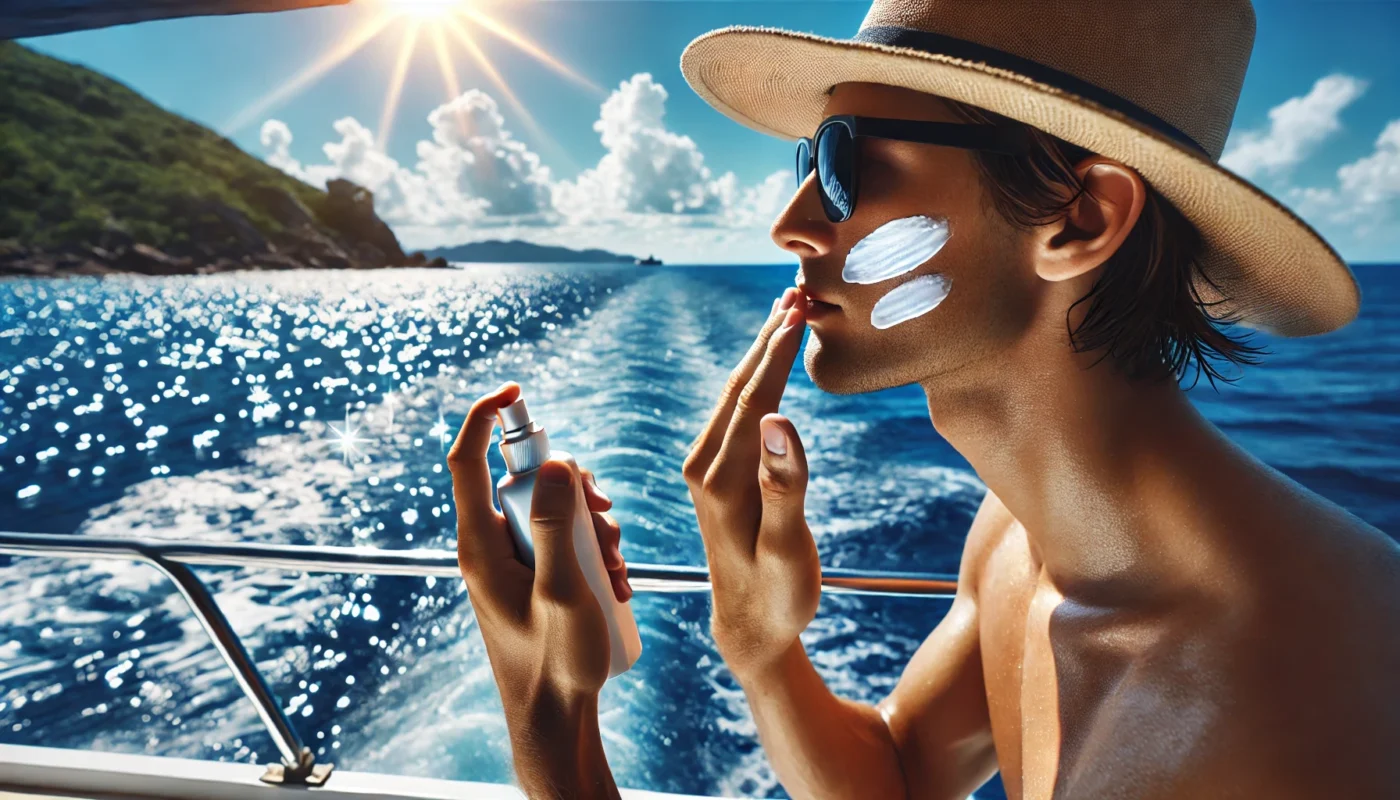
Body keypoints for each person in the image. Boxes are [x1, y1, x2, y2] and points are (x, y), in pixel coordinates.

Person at [448, 0, 1400, 797]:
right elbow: (902, 774)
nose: (789, 225)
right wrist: (760, 646)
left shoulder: (1281, 715)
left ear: (1081, 218)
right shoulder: (1018, 538)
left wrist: (549, 719)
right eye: (807, 164)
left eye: (845, 165)